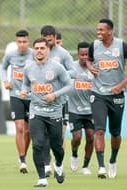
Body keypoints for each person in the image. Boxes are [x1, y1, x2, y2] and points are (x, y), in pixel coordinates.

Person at [21, 38, 71, 187]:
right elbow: (25, 83)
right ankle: (42, 178)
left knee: (57, 147)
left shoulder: (57, 67)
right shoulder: (28, 68)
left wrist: (55, 95)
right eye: (36, 48)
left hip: (54, 112)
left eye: (42, 48)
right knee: (37, 144)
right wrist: (24, 91)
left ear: (48, 50)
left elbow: (70, 85)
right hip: (36, 111)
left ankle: (59, 166)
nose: (39, 51)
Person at [88, 18, 127, 179]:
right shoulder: (94, 46)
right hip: (98, 94)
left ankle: (112, 160)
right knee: (99, 130)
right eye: (97, 30)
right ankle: (101, 166)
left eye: (101, 30)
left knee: (115, 133)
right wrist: (91, 68)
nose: (98, 33)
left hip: (117, 95)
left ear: (110, 31)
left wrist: (122, 84)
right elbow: (89, 61)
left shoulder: (121, 45)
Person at [40, 25, 75, 176]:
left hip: (60, 99)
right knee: (43, 134)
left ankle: (58, 163)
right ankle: (47, 165)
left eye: (50, 40)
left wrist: (59, 73)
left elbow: (74, 70)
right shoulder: (38, 52)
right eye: (45, 40)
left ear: (55, 38)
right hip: (41, 99)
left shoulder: (63, 53)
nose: (47, 42)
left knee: (58, 135)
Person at [1, 29, 33, 174]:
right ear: (16, 42)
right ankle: (22, 160)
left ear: (28, 41)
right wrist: (5, 81)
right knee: (20, 128)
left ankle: (24, 154)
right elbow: (3, 67)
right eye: (19, 42)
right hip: (15, 95)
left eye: (24, 42)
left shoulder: (34, 54)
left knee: (29, 130)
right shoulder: (10, 55)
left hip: (32, 96)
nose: (22, 44)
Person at [68, 42, 94, 175]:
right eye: (82, 54)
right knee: (77, 137)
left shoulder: (94, 67)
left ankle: (85, 166)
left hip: (91, 110)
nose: (84, 57)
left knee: (90, 137)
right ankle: (74, 154)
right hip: (74, 109)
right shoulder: (71, 66)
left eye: (87, 54)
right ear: (78, 54)